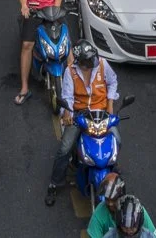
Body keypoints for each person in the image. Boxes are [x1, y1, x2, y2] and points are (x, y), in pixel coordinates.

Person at [46, 39, 119, 205]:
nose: (92, 62)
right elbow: (67, 96)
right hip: (80, 115)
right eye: (88, 60)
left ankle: (113, 168)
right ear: (80, 61)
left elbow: (113, 81)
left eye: (92, 58)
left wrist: (110, 104)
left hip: (101, 114)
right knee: (65, 148)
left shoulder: (102, 64)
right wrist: (68, 114)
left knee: (117, 141)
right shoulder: (70, 72)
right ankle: (54, 183)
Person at [16, 0, 65, 105]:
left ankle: (74, 84)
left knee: (67, 43)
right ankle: (24, 88)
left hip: (52, 10)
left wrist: (55, 11)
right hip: (35, 10)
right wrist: (24, 6)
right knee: (26, 46)